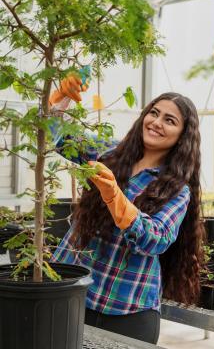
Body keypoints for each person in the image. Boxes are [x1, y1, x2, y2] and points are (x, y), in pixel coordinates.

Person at [49, 74, 204, 344]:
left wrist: (115, 197)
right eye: (154, 113)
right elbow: (57, 135)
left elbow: (155, 239)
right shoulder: (109, 152)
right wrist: (59, 98)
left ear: (183, 135)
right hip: (71, 290)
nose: (157, 122)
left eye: (170, 120)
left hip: (126, 306)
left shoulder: (177, 189)